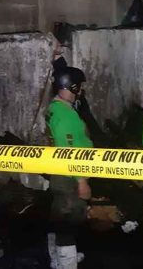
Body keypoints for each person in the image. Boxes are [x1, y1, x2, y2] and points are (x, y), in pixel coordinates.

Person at [45, 63, 93, 269]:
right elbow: (69, 153)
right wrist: (82, 182)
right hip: (69, 178)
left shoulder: (57, 108)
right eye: (79, 86)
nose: (81, 90)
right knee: (68, 222)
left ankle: (58, 260)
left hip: (60, 174)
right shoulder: (65, 116)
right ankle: (67, 263)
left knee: (58, 218)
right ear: (72, 86)